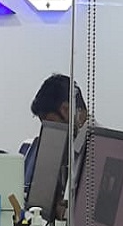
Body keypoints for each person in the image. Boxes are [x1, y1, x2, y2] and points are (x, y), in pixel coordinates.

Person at [23, 74, 90, 213]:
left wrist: (68, 212)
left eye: (50, 123)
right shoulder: (67, 146)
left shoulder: (100, 149)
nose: (48, 132)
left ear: (66, 110)